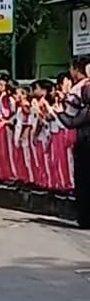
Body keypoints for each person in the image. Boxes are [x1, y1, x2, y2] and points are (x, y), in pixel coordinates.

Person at [59, 55, 90, 228]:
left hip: (84, 143)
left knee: (84, 180)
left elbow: (71, 121)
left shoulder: (80, 94)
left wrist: (57, 109)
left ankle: (85, 218)